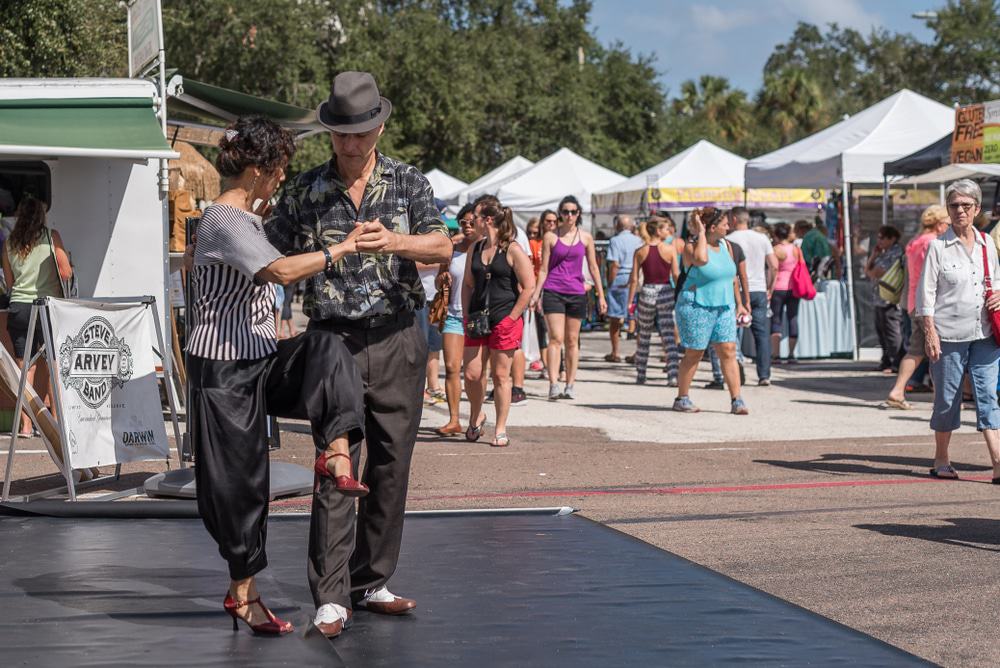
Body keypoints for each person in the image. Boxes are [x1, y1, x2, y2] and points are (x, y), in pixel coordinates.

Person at [265, 72, 452, 637]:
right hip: (333, 344)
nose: (351, 144)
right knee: (335, 465)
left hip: (398, 338)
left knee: (392, 465)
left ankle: (371, 582)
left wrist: (395, 241)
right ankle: (330, 596)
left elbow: (442, 246)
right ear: (330, 132)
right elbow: (269, 255)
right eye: (341, 134)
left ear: (380, 128)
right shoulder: (304, 190)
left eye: (361, 133)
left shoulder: (408, 182)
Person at [187, 116, 367, 636]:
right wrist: (342, 248)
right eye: (279, 169)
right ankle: (243, 594)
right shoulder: (223, 220)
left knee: (325, 347)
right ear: (257, 170)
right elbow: (281, 271)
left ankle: (336, 452)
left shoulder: (248, 221)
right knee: (241, 487)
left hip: (261, 360)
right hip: (223, 369)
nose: (283, 177)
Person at [916, 179, 1000, 482]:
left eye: (966, 205)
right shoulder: (938, 247)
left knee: (988, 396)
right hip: (948, 336)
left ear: (977, 208)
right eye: (954, 206)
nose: (960, 211)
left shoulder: (986, 243)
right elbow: (925, 295)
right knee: (947, 400)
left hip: (985, 334)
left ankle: (998, 462)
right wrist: (930, 333)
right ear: (948, 210)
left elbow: (997, 281)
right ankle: (941, 458)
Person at [461, 197, 535, 447]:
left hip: (504, 318)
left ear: (488, 220)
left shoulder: (512, 249)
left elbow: (529, 286)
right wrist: (466, 313)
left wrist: (512, 317)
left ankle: (501, 428)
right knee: (472, 374)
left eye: (475, 217)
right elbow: (468, 284)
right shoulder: (475, 248)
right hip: (477, 318)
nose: (471, 221)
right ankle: (476, 415)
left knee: (501, 375)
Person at [1, 195, 72, 437]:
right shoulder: (51, 237)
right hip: (46, 306)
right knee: (53, 366)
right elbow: (65, 272)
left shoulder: (9, 242)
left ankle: (26, 425)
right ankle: (56, 423)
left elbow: (10, 282)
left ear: (19, 216)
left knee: (25, 370)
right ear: (41, 216)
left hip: (20, 308)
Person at [529, 195, 607, 400]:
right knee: (555, 338)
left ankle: (570, 384)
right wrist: (536, 294)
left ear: (578, 213)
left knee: (572, 340)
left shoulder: (586, 237)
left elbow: (594, 267)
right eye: (565, 212)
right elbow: (544, 269)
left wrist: (601, 295)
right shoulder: (550, 237)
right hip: (553, 290)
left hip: (576, 292)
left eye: (573, 212)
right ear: (560, 214)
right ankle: (554, 383)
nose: (569, 215)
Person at [672, 207, 749, 415]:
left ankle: (737, 400)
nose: (728, 227)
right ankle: (682, 398)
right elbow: (701, 260)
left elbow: (732, 277)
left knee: (729, 350)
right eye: (724, 224)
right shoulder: (691, 247)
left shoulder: (727, 246)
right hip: (696, 305)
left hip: (724, 305)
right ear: (712, 228)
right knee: (695, 352)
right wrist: (701, 232)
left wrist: (740, 303)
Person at [883, 205, 950, 409]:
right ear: (939, 224)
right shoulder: (933, 242)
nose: (949, 226)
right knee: (939, 351)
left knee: (917, 350)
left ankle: (897, 391)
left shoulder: (915, 241)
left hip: (914, 302)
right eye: (947, 223)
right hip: (931, 304)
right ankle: (942, 399)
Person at [434, 204, 477, 435]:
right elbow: (437, 281)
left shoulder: (485, 250)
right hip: (453, 314)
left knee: (473, 373)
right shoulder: (452, 249)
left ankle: (476, 415)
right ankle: (454, 420)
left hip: (477, 317)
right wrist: (443, 278)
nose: (467, 226)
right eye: (463, 223)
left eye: (472, 222)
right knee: (451, 367)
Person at [726, 206, 777, 385]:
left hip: (736, 289)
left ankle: (736, 368)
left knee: (733, 332)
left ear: (733, 219)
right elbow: (774, 265)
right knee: (761, 334)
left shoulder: (729, 239)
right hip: (759, 289)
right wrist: (770, 287)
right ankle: (764, 375)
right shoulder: (762, 238)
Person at [627, 218, 679, 384]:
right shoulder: (670, 250)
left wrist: (630, 301)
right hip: (665, 292)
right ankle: (673, 375)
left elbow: (634, 279)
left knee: (644, 334)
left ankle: (641, 373)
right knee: (668, 335)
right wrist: (680, 293)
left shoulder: (640, 251)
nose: (668, 232)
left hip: (647, 291)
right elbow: (675, 275)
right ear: (658, 231)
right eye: (666, 229)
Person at [866, 225, 905, 373]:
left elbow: (875, 272)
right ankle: (886, 360)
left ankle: (897, 362)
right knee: (882, 331)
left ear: (892, 238)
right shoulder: (884, 253)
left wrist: (871, 268)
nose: (879, 241)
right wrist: (873, 256)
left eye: (882, 238)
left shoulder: (895, 253)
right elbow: (868, 271)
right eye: (878, 238)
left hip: (890, 299)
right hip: (879, 298)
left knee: (892, 332)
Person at [605, 215, 643, 363]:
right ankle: (638, 352)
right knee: (637, 318)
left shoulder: (615, 241)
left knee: (615, 318)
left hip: (620, 279)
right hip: (636, 278)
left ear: (617, 226)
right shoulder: (639, 240)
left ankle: (615, 352)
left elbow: (614, 264)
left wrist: (610, 282)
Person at [769, 222, 801, 364]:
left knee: (776, 319)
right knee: (793, 318)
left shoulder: (776, 250)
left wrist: (769, 288)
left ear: (776, 235)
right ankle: (791, 354)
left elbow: (774, 270)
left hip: (778, 287)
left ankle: (776, 355)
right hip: (794, 288)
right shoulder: (796, 249)